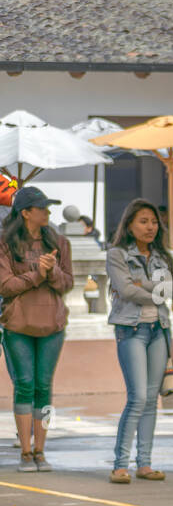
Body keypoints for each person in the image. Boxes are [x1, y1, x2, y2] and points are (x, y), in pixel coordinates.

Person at [0, 186, 72, 473]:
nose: (48, 212)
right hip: (18, 324)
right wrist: (36, 274)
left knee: (44, 386)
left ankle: (41, 449)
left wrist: (52, 271)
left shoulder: (59, 243)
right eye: (41, 208)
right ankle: (26, 452)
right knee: (25, 385)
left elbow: (67, 284)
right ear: (26, 213)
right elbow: (5, 286)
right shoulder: (6, 244)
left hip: (52, 323)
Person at [106, 199, 172, 484]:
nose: (150, 227)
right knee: (138, 398)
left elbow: (169, 289)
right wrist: (150, 289)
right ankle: (120, 464)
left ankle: (144, 464)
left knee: (151, 399)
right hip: (130, 330)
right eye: (143, 221)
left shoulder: (162, 256)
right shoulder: (117, 254)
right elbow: (123, 290)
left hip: (159, 328)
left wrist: (139, 285)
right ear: (130, 225)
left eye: (154, 221)